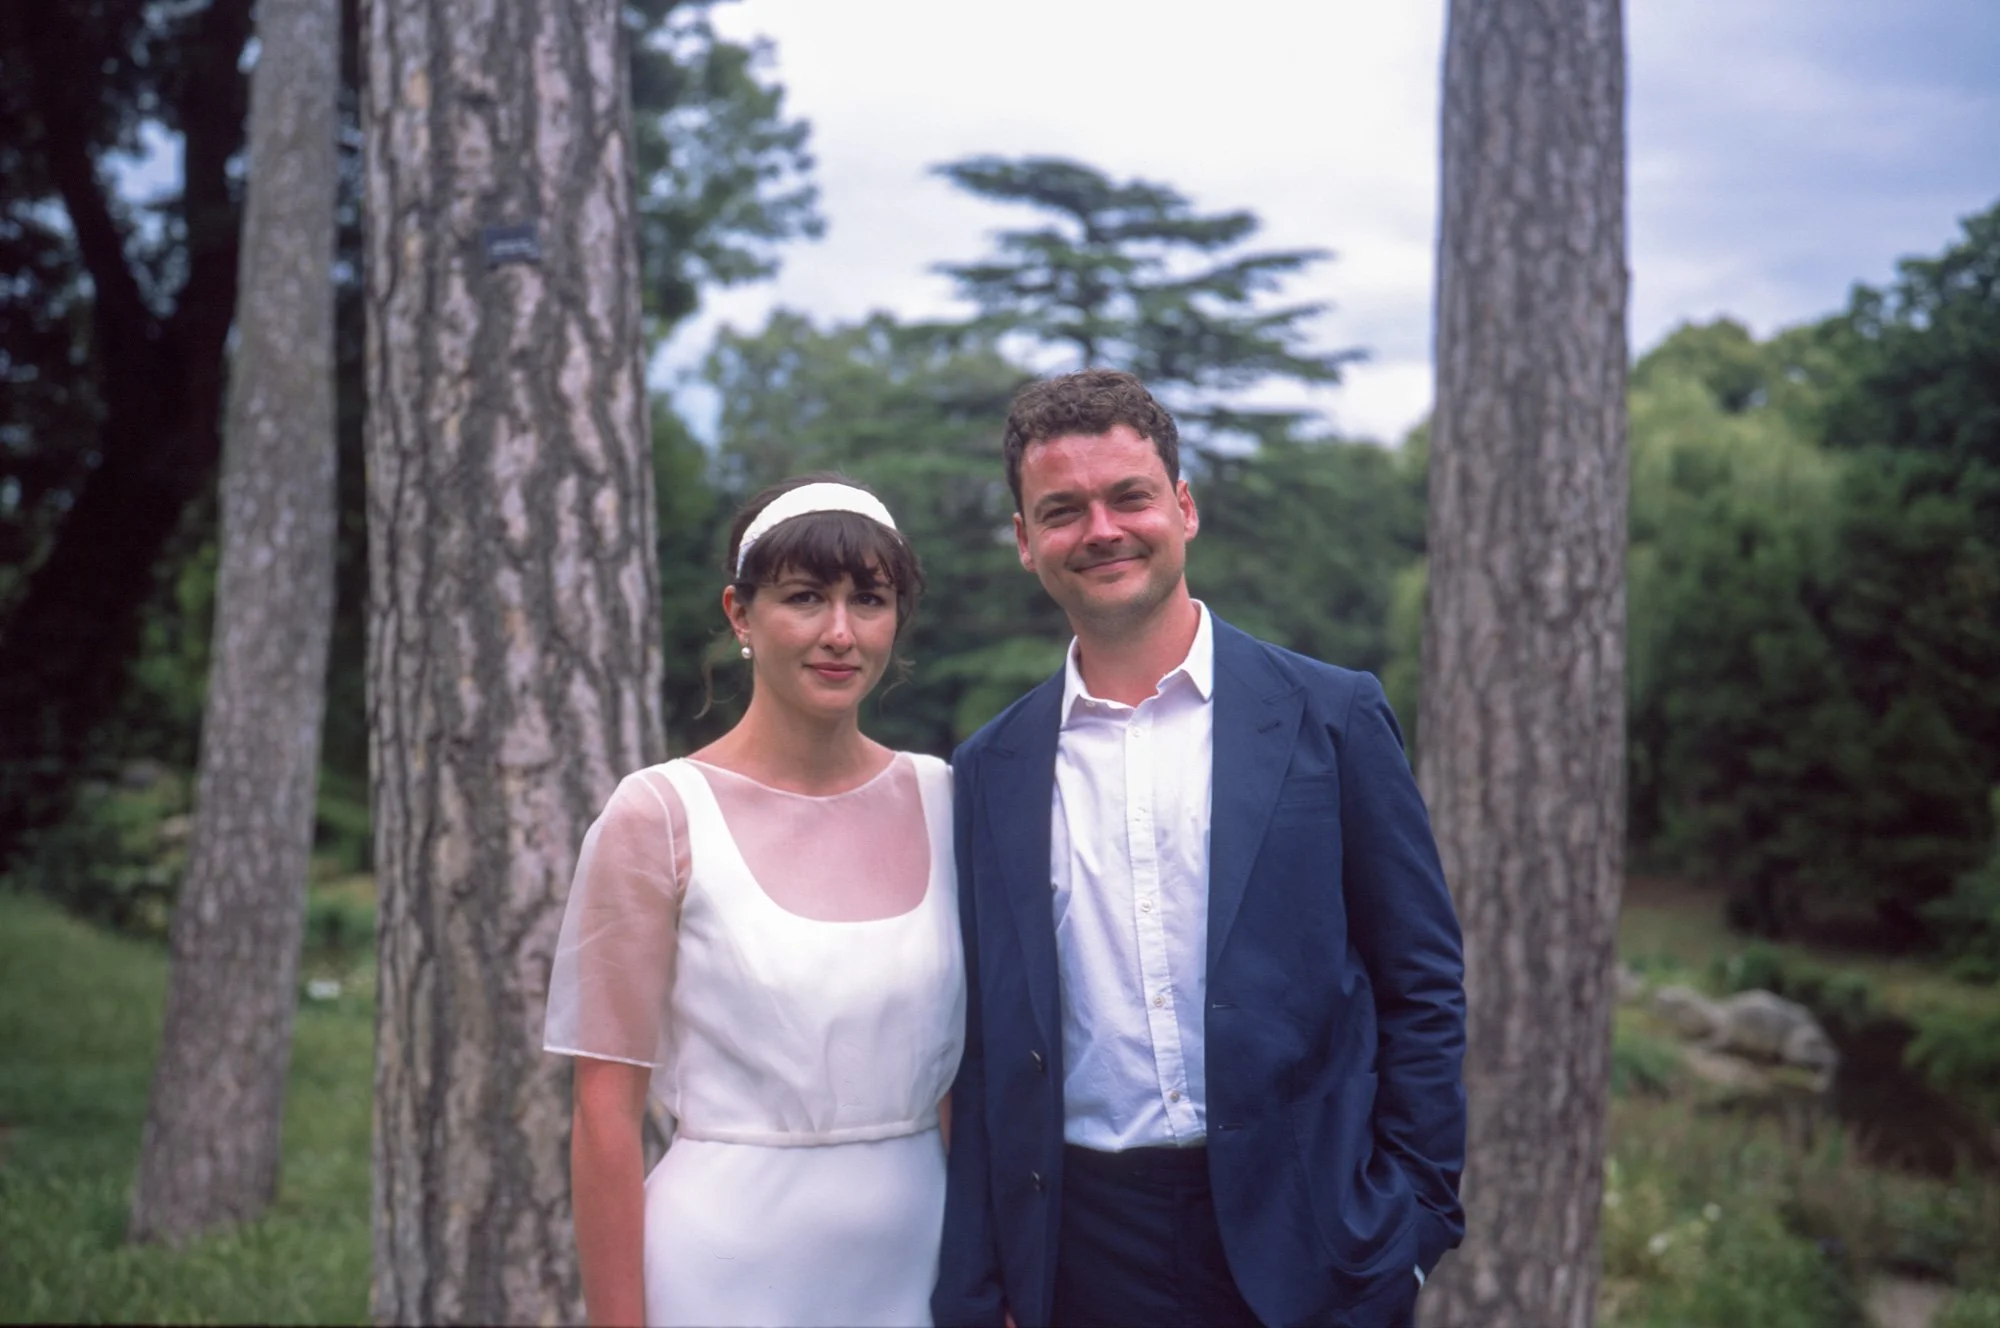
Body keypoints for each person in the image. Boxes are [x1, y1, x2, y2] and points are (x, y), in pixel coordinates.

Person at [933, 371, 1466, 1328]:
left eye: (1129, 496)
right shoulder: (987, 771)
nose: (1101, 529)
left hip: (1312, 1239)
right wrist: (984, 1285)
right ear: (1024, 541)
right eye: (1062, 510)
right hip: (1079, 1254)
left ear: (1183, 506)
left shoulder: (1333, 717)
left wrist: (1412, 1229)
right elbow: (981, 1055)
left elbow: (1420, 980)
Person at [545, 474, 965, 1327]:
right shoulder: (659, 815)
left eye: (869, 600)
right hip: (723, 1270)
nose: (839, 633)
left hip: (919, 1264)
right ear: (741, 613)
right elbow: (604, 1114)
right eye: (805, 598)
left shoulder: (947, 800)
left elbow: (967, 1084)